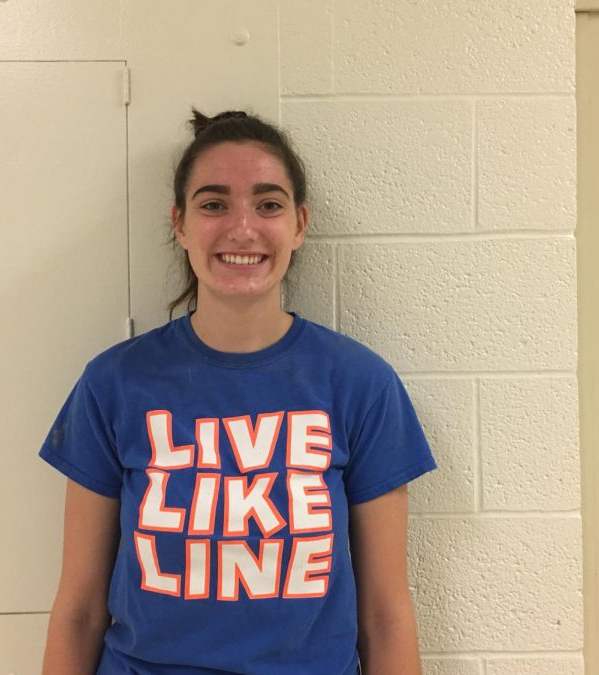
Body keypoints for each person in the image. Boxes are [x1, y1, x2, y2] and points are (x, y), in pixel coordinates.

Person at [39, 110, 436, 675]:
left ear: (300, 224)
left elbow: (386, 614)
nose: (242, 228)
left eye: (268, 204)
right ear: (180, 223)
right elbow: (78, 610)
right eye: (213, 203)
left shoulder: (360, 385)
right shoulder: (114, 384)